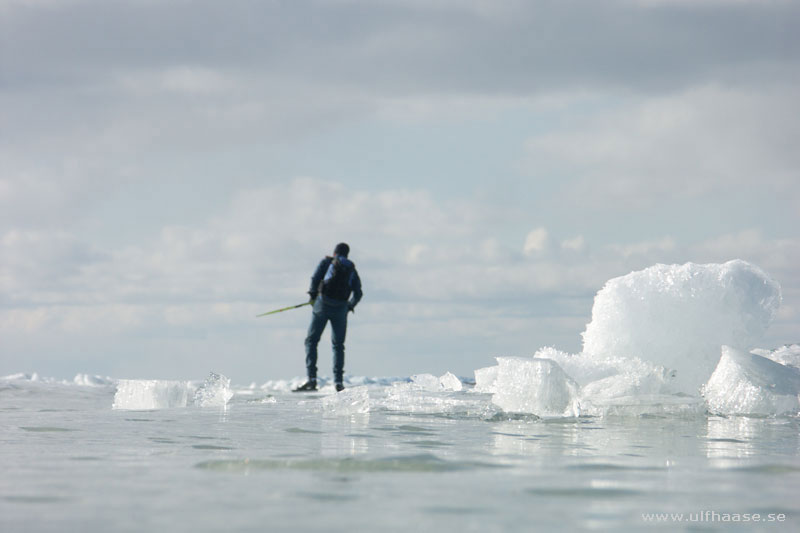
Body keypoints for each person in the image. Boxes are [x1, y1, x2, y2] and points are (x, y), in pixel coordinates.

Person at [293, 243, 363, 393]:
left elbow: (315, 279)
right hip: (341, 309)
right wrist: (349, 307)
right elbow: (358, 293)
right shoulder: (351, 269)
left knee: (311, 341)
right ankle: (338, 382)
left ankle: (312, 380)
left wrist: (313, 297)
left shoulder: (326, 262)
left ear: (335, 252)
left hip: (322, 306)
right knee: (338, 345)